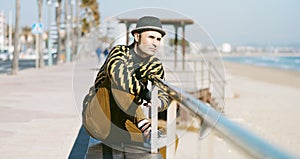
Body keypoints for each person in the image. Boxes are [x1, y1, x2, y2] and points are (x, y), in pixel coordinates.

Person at [82, 16, 170, 148]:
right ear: (137, 36)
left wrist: (158, 102)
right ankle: (146, 128)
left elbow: (163, 94)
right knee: (119, 81)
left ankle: (147, 133)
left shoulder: (155, 65)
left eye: (158, 39)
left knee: (164, 141)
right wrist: (146, 94)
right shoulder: (119, 52)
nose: (155, 43)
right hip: (98, 117)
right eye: (151, 37)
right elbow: (119, 76)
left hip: (122, 125)